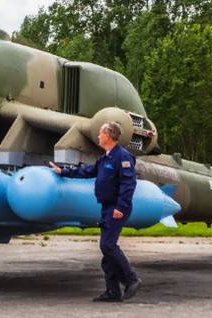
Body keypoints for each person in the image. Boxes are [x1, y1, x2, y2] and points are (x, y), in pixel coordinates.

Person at [49, 122, 141, 302]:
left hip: (116, 207)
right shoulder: (106, 157)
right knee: (107, 252)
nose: (98, 136)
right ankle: (113, 292)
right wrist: (63, 171)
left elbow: (129, 184)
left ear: (109, 135)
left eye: (100, 133)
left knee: (107, 246)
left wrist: (120, 208)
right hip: (107, 207)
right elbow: (88, 171)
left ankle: (131, 279)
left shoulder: (123, 157)